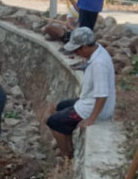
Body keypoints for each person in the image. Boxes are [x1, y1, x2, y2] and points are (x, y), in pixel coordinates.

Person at [46, 26, 116, 159]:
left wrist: (91, 118)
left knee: (53, 122)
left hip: (93, 108)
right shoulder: (98, 51)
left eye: (77, 50)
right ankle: (68, 143)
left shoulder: (99, 64)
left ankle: (66, 155)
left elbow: (102, 95)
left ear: (84, 47)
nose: (76, 53)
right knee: (61, 106)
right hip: (88, 100)